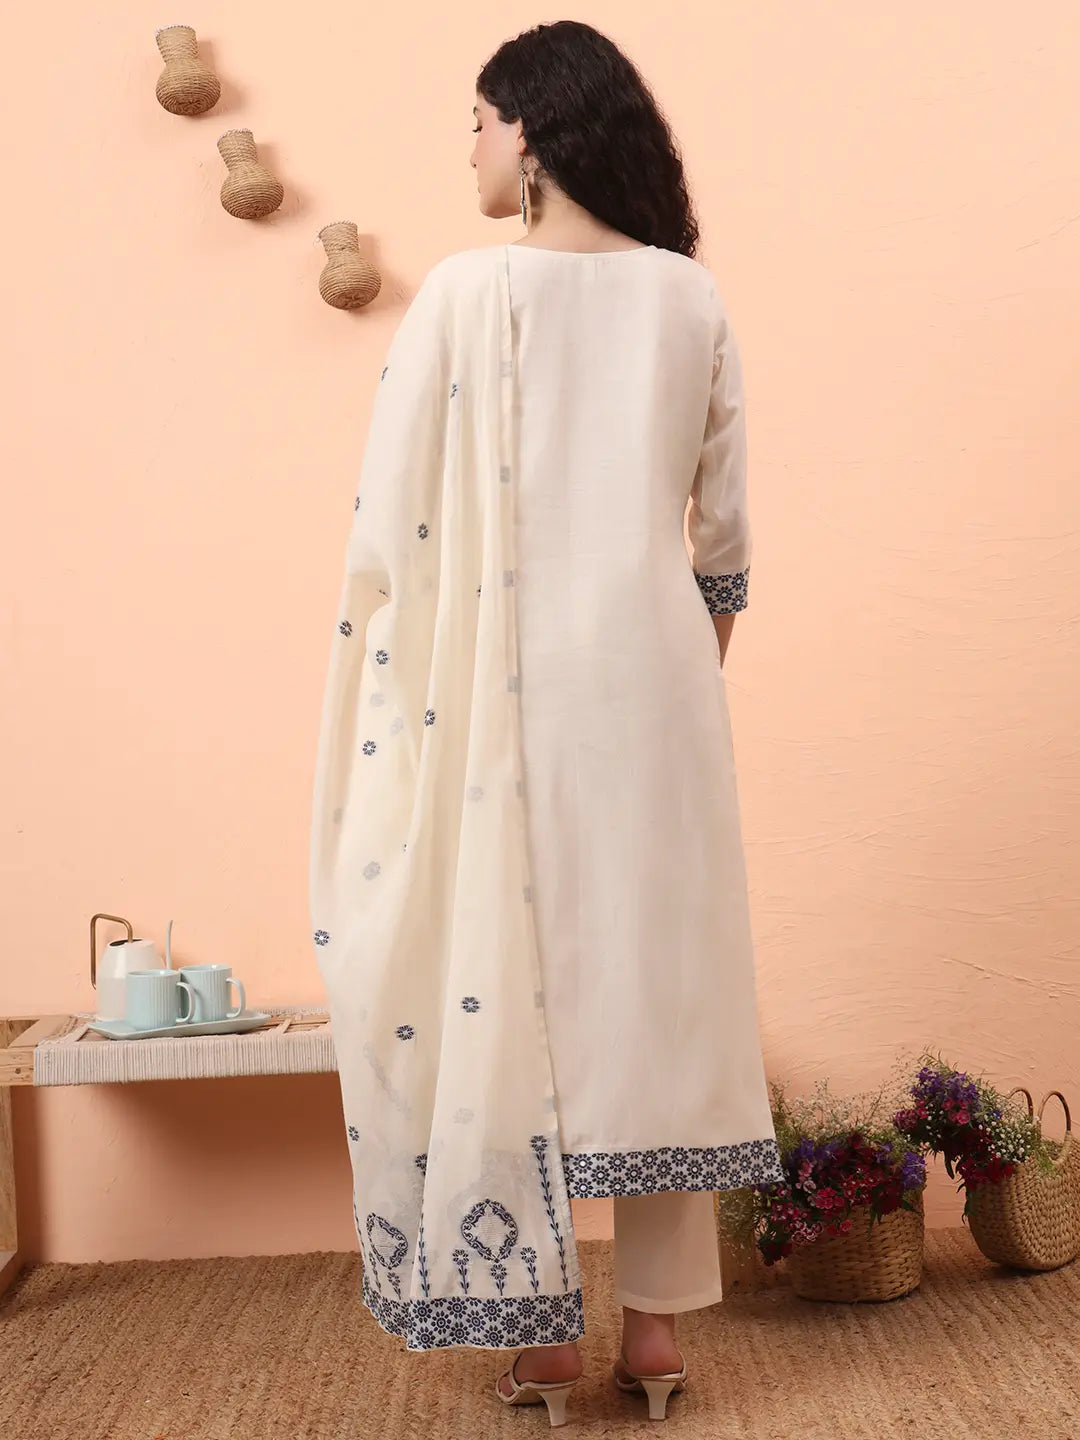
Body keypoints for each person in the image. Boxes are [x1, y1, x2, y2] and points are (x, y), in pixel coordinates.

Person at [308, 19, 784, 1427]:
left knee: (508, 983)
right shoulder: (690, 297)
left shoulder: (465, 294)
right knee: (650, 986)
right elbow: (723, 543)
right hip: (659, 689)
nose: (467, 145)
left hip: (499, 687)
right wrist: (679, 670)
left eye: (478, 120)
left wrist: (403, 672)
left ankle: (542, 1334)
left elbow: (393, 523)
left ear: (534, 134)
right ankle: (655, 1338)